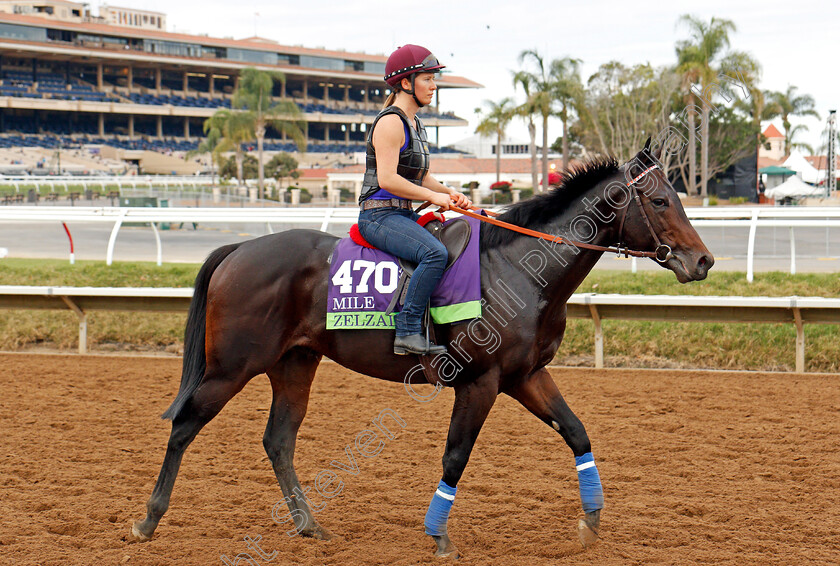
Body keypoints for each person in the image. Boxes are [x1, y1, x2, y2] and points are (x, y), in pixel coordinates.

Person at [357, 44, 472, 356]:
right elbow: (388, 179)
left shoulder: (416, 123)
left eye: (434, 79)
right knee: (434, 254)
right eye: (427, 79)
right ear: (406, 83)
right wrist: (434, 196)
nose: (434, 86)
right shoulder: (391, 122)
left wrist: (450, 193)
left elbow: (420, 177)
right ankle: (407, 331)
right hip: (377, 217)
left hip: (400, 214)